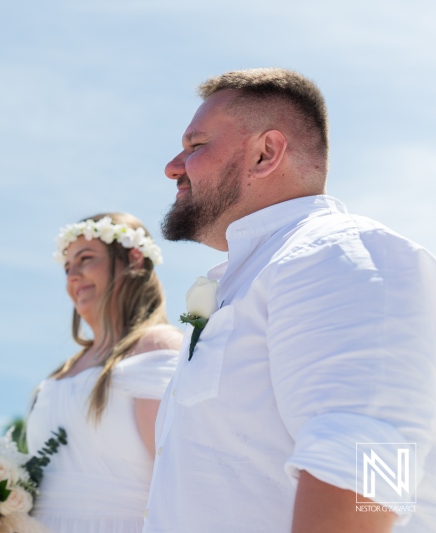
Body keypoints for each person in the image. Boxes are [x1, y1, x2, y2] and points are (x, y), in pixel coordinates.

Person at [144, 67, 436, 533]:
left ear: (266, 153)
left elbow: (375, 461)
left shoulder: (341, 253)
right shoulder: (252, 276)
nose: (173, 166)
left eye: (196, 146)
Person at [27, 212, 183, 532]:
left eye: (86, 259)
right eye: (67, 267)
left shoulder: (156, 347)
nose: (73, 275)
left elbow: (178, 479)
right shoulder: (62, 372)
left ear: (134, 260)